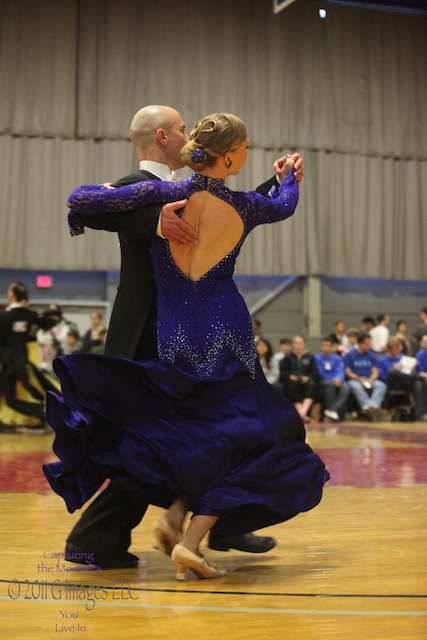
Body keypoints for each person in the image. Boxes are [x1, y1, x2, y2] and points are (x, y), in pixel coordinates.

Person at [44, 112, 329, 581]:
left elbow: (238, 201)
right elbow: (87, 206)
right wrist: (156, 222)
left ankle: (199, 521)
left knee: (187, 431)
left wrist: (277, 180)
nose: (187, 133)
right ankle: (116, 536)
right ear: (163, 136)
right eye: (179, 127)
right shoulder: (145, 186)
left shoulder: (181, 188)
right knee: (162, 434)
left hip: (180, 332)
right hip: (154, 332)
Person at [0, 282, 58, 429]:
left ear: (11, 295)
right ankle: (42, 412)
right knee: (36, 387)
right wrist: (33, 329)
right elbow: (50, 322)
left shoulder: (4, 317)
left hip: (7, 363)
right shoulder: (30, 315)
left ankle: (40, 412)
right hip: (23, 361)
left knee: (10, 398)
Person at [343, 332, 387, 420]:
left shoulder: (372, 355)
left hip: (369, 379)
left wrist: (371, 379)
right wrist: (359, 379)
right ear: (360, 344)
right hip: (355, 379)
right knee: (356, 387)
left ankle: (373, 405)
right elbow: (348, 372)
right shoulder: (350, 355)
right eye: (367, 344)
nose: (369, 346)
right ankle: (366, 406)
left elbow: (375, 371)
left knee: (381, 386)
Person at [279, 335, 319, 423]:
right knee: (291, 386)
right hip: (292, 382)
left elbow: (314, 372)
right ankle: (302, 414)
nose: (297, 345)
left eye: (300, 343)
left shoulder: (310, 357)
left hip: (306, 381)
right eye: (296, 343)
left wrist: (307, 378)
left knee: (312, 385)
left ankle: (302, 412)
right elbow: (282, 372)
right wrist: (290, 376)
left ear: (304, 344)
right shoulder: (288, 357)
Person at [315, 337, 350, 422]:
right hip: (323, 380)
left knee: (346, 387)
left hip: (337, 380)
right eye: (324, 345)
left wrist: (339, 378)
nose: (325, 348)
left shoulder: (337, 358)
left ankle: (332, 410)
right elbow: (320, 372)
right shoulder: (317, 358)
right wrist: (333, 379)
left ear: (332, 347)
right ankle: (331, 411)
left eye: (328, 346)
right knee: (331, 385)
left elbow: (340, 370)